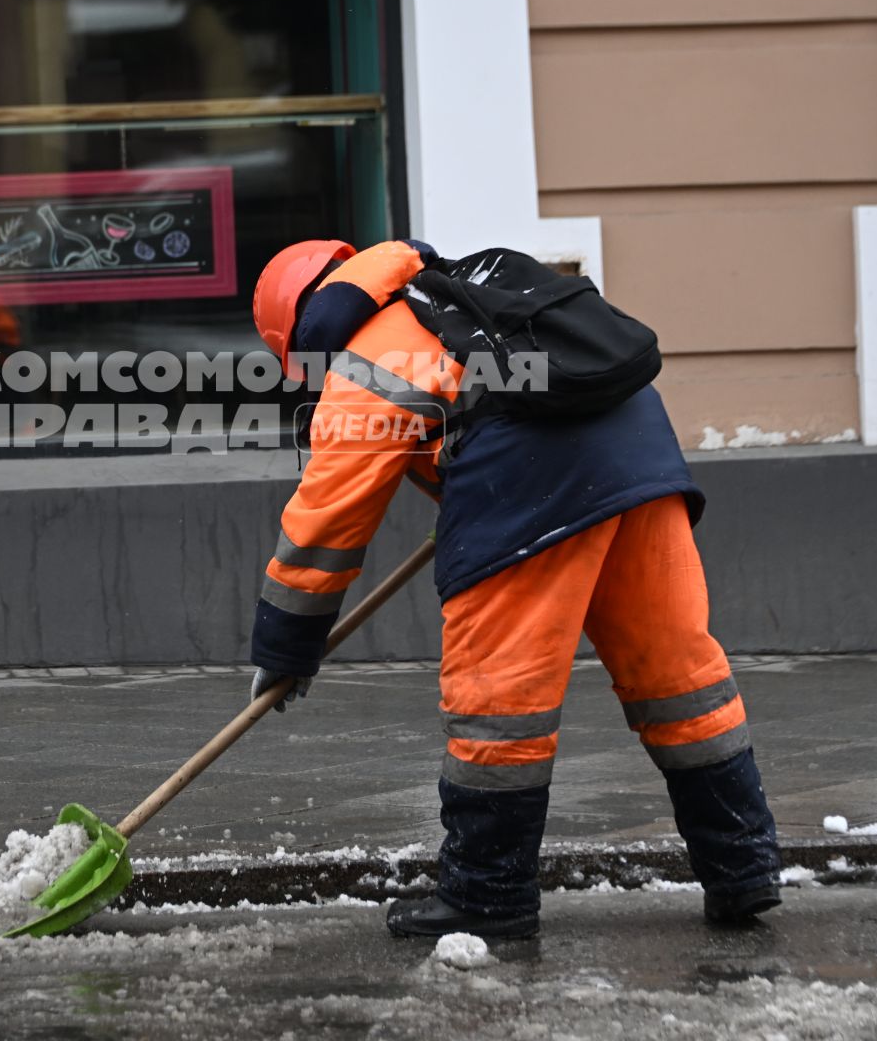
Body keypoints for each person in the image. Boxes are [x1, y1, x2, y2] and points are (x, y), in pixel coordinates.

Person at [246, 238, 782, 939]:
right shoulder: (458, 294)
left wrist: (284, 648)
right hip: (641, 460)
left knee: (499, 699)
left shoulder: (369, 356)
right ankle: (743, 869)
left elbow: (325, 524)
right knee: (680, 677)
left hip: (534, 493)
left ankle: (487, 895)